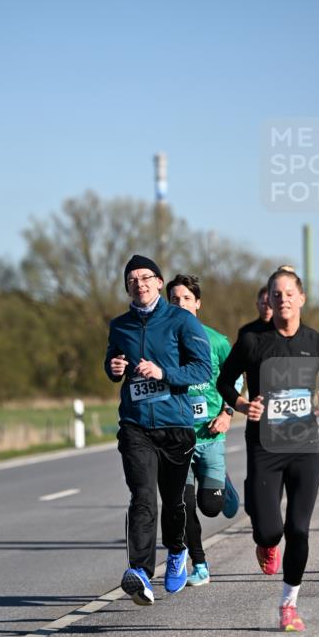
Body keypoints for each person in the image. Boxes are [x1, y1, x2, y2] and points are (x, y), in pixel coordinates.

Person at [217, 268, 319, 632]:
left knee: (299, 530)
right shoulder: (251, 341)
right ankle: (264, 537)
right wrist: (243, 406)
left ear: (301, 298)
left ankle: (289, 604)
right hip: (264, 448)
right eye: (276, 294)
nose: (283, 299)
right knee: (270, 531)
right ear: (269, 301)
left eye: (289, 293)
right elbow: (223, 382)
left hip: (305, 447)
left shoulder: (317, 343)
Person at [105, 255, 211, 605]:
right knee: (143, 497)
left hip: (175, 425)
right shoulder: (120, 325)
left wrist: (164, 373)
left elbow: (201, 371)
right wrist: (114, 365)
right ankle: (139, 572)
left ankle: (178, 551)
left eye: (146, 277)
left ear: (159, 282)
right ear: (127, 286)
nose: (140, 283)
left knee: (174, 501)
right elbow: (112, 363)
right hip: (136, 424)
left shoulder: (181, 320)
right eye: (132, 279)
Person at [166, 274, 240, 587]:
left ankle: (221, 483)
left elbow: (236, 378)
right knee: (182, 506)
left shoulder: (217, 341)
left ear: (198, 303)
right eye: (174, 299)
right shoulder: (162, 340)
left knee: (210, 507)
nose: (181, 304)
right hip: (176, 436)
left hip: (211, 433)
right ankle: (199, 564)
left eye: (186, 299)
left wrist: (228, 412)